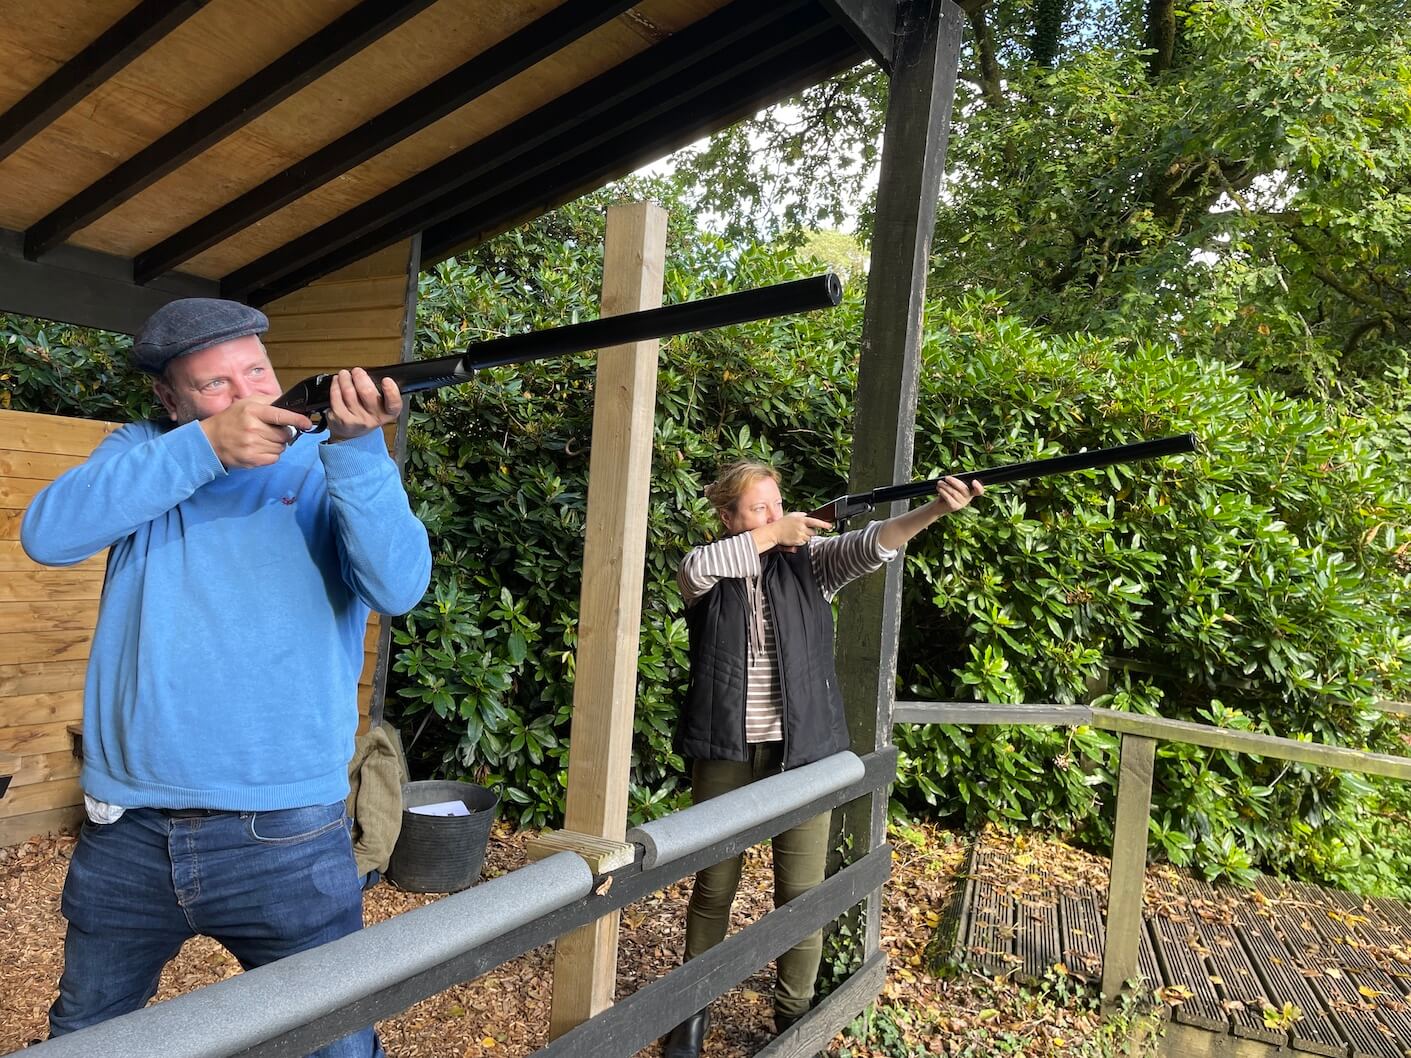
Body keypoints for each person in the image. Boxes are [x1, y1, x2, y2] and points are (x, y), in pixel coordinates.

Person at [21, 298, 432, 1057]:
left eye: (256, 371)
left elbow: (399, 586)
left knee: (334, 1043)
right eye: (214, 385)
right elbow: (47, 535)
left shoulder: (328, 465)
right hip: (127, 831)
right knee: (85, 1040)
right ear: (171, 400)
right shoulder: (143, 451)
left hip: (288, 831)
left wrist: (361, 452)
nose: (248, 396)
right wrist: (204, 447)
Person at [662, 459, 981, 1058]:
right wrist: (769, 537)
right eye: (759, 508)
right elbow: (698, 568)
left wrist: (937, 508)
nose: (776, 516)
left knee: (801, 895)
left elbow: (873, 543)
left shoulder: (808, 562)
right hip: (725, 752)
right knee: (712, 888)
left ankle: (793, 1016)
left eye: (777, 505)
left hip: (804, 755)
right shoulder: (707, 570)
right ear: (728, 517)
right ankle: (689, 1014)